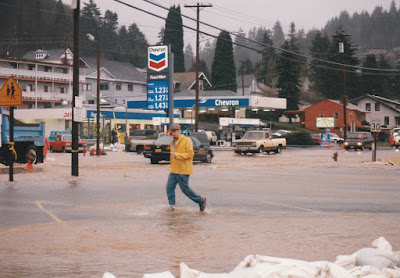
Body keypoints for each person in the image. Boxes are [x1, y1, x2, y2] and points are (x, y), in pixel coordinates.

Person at [166, 123, 206, 212]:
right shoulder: (172, 142)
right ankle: (172, 207)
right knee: (169, 188)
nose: (173, 133)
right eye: (172, 131)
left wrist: (178, 155)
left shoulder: (186, 140)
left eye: (175, 131)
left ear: (179, 131)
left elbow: (190, 154)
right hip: (174, 170)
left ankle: (200, 200)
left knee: (185, 190)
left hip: (183, 170)